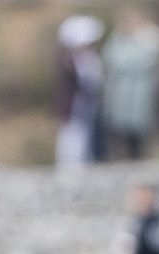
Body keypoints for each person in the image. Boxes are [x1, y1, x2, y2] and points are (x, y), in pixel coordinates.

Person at [101, 7, 159, 161]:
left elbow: (146, 59)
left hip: (140, 92)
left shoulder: (147, 39)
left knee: (140, 130)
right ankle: (122, 158)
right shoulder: (118, 39)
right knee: (120, 130)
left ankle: (139, 157)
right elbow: (112, 60)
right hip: (121, 93)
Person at [54, 15, 104, 172]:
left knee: (84, 135)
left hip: (85, 103)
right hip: (73, 104)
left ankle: (81, 163)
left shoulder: (86, 57)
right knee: (71, 135)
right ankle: (68, 167)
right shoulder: (69, 59)